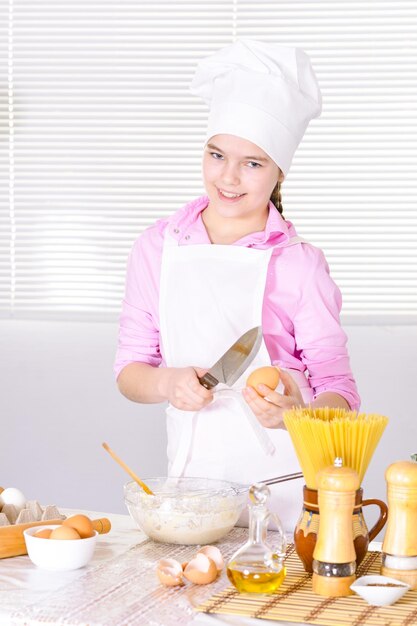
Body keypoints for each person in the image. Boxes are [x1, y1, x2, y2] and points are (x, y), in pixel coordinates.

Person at [114, 40, 360, 530]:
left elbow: (342, 393)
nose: (228, 177)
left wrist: (300, 412)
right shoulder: (157, 247)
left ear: (279, 172)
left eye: (252, 163)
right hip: (194, 491)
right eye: (217, 154)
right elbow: (129, 372)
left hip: (288, 493)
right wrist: (168, 382)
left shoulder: (300, 264)